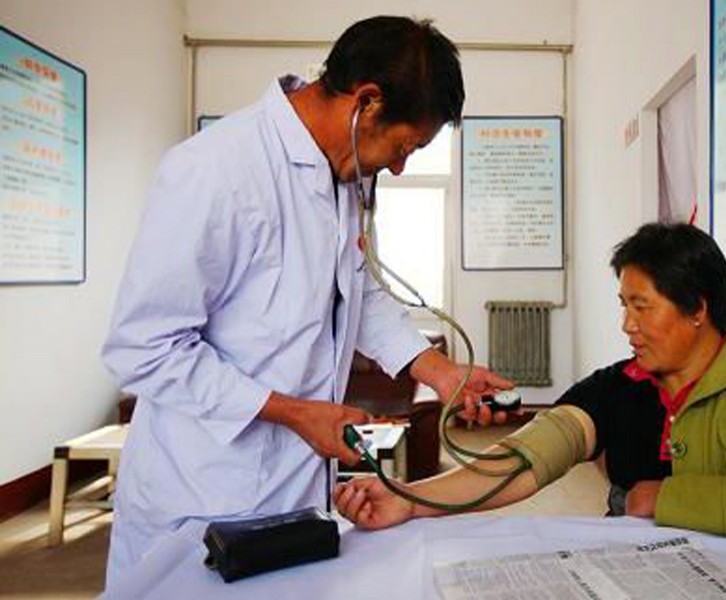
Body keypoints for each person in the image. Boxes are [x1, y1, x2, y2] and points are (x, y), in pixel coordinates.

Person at [101, 16, 512, 588]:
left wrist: (440, 372)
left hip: (294, 490)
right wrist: (295, 412)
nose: (398, 167)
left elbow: (355, 290)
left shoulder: (344, 176)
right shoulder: (215, 170)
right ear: (366, 102)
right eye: (403, 147)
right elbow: (143, 348)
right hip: (200, 490)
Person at [335, 222, 726, 546]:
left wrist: (667, 498)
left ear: (697, 308)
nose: (627, 325)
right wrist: (409, 498)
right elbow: (520, 462)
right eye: (623, 306)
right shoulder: (616, 388)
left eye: (642, 307)